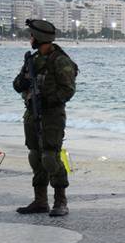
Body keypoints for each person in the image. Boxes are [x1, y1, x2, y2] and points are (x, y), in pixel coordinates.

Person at [12, 19, 78, 217]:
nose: (30, 39)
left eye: (32, 35)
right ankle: (40, 201)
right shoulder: (32, 61)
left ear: (40, 38)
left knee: (50, 157)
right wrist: (24, 80)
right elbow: (17, 85)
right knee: (35, 157)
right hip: (32, 114)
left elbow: (68, 90)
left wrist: (46, 100)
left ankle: (60, 201)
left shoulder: (61, 61)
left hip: (52, 116)